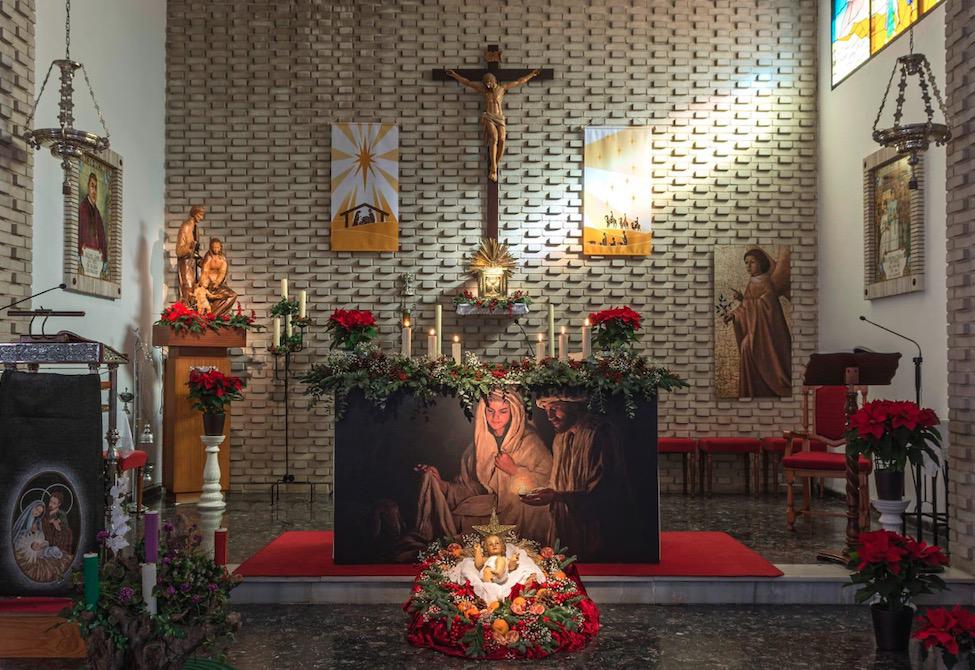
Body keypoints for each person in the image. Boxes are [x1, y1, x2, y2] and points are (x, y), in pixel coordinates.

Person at [414, 391, 552, 543]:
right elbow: (473, 490)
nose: (496, 417)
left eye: (503, 411)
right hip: (490, 512)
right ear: (482, 412)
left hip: (520, 515)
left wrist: (514, 470)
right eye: (490, 411)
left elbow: (547, 485)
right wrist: (442, 486)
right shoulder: (475, 449)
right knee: (458, 521)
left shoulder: (530, 443)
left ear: (514, 412)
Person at [521, 395, 629, 561]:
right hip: (567, 530)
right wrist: (549, 494)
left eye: (555, 409)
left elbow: (606, 491)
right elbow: (558, 483)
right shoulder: (560, 438)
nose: (550, 416)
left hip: (595, 531)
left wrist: (557, 496)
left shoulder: (600, 434)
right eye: (547, 410)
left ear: (573, 406)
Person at [444, 68, 541, 182]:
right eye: (486, 83)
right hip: (489, 117)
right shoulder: (484, 91)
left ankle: (494, 165)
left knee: (502, 139)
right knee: (494, 138)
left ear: (493, 80)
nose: (488, 85)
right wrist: (455, 75)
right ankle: (494, 168)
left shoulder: (502, 89)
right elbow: (467, 82)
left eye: (489, 82)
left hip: (499, 118)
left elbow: (519, 81)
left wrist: (531, 75)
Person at [722, 247, 792, 398]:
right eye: (746, 263)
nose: (748, 266)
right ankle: (753, 390)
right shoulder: (752, 283)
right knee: (746, 346)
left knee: (747, 346)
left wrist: (746, 301)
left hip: (768, 334)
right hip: (757, 329)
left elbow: (767, 307)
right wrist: (733, 315)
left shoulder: (766, 282)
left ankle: (766, 388)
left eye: (752, 262)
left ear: (761, 263)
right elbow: (746, 307)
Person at [78, 172, 109, 275]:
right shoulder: (82, 208)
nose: (94, 191)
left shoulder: (97, 213)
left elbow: (102, 239)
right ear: (88, 187)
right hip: (85, 258)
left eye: (96, 187)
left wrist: (104, 257)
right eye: (92, 186)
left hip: (95, 261)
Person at [197, 237, 238, 316]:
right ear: (211, 248)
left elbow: (222, 273)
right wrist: (204, 285)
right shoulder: (208, 257)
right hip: (207, 284)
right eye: (214, 248)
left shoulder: (222, 259)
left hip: (218, 285)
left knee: (232, 295)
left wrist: (217, 282)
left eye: (217, 247)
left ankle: (214, 315)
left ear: (220, 247)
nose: (216, 249)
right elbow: (205, 272)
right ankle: (211, 315)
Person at [176, 206, 205, 304]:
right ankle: (185, 314)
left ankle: (192, 315)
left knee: (195, 288)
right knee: (187, 287)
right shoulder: (186, 226)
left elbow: (195, 250)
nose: (201, 218)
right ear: (194, 213)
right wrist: (190, 245)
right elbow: (179, 250)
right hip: (185, 262)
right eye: (200, 215)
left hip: (194, 263)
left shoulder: (196, 228)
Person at [42, 490, 74, 555]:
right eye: (50, 501)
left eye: (54, 503)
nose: (51, 504)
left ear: (59, 504)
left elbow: (62, 523)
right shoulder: (46, 512)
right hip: (46, 535)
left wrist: (55, 522)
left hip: (58, 536)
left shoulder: (61, 513)